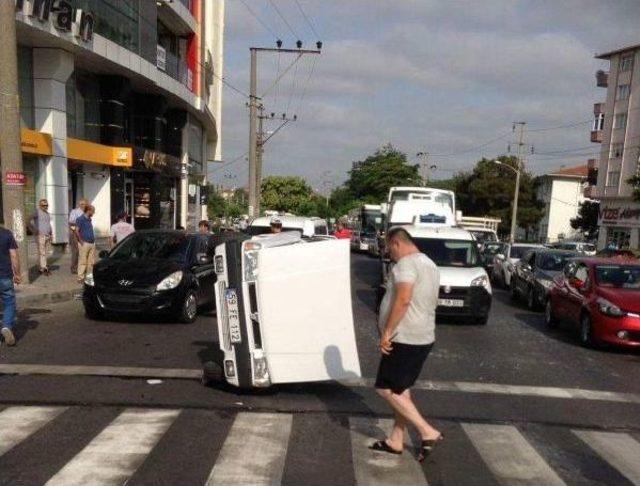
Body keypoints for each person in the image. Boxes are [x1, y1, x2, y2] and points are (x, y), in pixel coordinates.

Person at [372, 227, 442, 462]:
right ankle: (396, 439)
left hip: (405, 337)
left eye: (387, 248)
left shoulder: (406, 265)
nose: (388, 253)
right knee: (401, 390)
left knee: (385, 388)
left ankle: (427, 431)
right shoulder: (429, 263)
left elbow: (403, 299)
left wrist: (387, 332)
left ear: (395, 243)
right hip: (423, 335)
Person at [0, 226, 21, 346]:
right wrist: (17, 274)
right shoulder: (6, 234)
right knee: (9, 302)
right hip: (5, 276)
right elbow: (14, 255)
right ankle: (7, 326)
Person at [29, 199, 53, 275]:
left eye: (46, 205)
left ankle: (40, 267)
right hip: (40, 235)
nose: (45, 207)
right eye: (43, 205)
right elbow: (27, 220)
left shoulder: (47, 214)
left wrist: (51, 234)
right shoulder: (37, 212)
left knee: (43, 252)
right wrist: (32, 229)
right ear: (40, 205)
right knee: (42, 252)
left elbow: (48, 224)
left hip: (47, 235)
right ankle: (44, 268)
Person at [76, 205, 96, 284]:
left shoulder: (89, 219)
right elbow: (77, 231)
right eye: (93, 211)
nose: (93, 213)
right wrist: (81, 241)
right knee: (83, 261)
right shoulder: (80, 219)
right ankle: (80, 277)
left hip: (91, 242)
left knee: (91, 262)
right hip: (84, 243)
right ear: (88, 211)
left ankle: (89, 277)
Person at [69, 198, 88, 274]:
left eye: (85, 204)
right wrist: (80, 223)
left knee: (83, 251)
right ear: (79, 205)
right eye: (82, 204)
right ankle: (74, 268)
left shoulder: (86, 212)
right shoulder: (75, 211)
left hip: (84, 233)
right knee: (75, 251)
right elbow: (71, 222)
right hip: (75, 233)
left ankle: (82, 267)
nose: (83, 206)